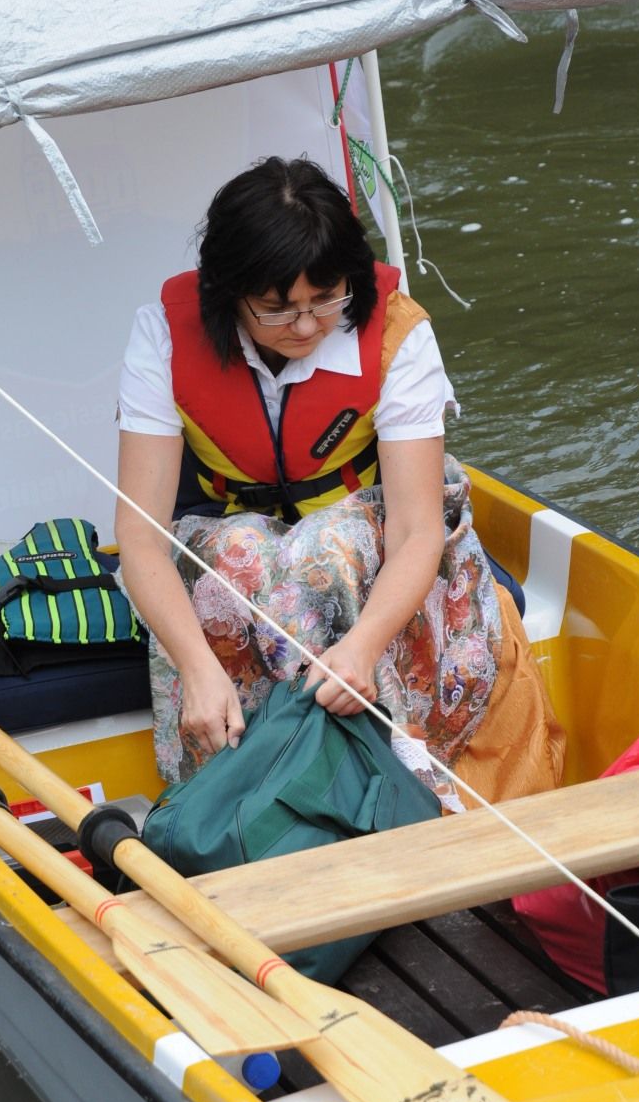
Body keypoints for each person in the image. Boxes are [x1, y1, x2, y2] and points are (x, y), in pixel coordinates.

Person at [115, 156, 563, 810]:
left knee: (338, 547)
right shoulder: (163, 337)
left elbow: (416, 530)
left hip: (373, 537)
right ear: (228, 293)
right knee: (246, 559)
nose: (304, 326)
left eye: (325, 299)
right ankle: (265, 805)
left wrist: (360, 649)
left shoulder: (397, 335)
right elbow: (142, 537)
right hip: (231, 539)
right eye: (277, 308)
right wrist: (198, 669)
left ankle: (417, 791)